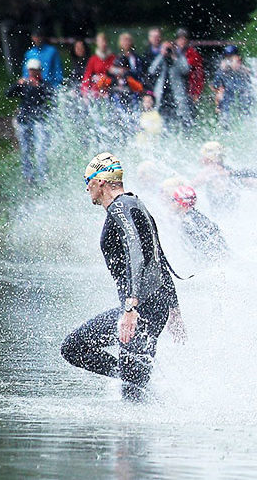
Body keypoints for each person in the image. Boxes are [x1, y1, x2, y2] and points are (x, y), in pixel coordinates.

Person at [62, 153, 183, 401]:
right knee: (83, 351)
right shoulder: (134, 204)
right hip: (152, 306)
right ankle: (144, 383)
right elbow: (158, 257)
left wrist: (130, 307)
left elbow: (139, 253)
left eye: (88, 181)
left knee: (77, 349)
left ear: (101, 182)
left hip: (141, 308)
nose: (87, 187)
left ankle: (145, 388)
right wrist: (174, 309)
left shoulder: (120, 208)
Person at [7, 59, 53, 185]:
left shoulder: (44, 85)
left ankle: (43, 176)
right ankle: (28, 176)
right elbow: (8, 93)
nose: (32, 73)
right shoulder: (24, 84)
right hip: (24, 120)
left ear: (39, 71)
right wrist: (18, 84)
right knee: (25, 150)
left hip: (38, 121)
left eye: (35, 70)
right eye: (31, 71)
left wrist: (38, 86)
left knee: (40, 150)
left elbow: (51, 96)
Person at [170, 185, 229, 261]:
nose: (171, 203)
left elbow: (196, 251)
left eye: (173, 200)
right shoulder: (197, 217)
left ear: (180, 202)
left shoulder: (188, 222)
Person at [148, 38, 193, 127]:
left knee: (181, 119)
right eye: (166, 48)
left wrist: (174, 57)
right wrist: (161, 55)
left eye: (169, 48)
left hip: (176, 95)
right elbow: (152, 70)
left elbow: (186, 70)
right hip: (162, 96)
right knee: (163, 121)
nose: (168, 50)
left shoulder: (179, 57)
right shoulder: (160, 58)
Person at [212, 46, 252, 122]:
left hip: (242, 100)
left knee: (245, 118)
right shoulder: (222, 71)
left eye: (233, 58)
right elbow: (214, 86)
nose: (230, 61)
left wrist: (242, 69)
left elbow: (252, 79)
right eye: (228, 59)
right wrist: (218, 96)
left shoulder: (244, 70)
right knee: (225, 120)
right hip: (227, 102)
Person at [173, 29, 205, 105]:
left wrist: (197, 92)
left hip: (189, 88)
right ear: (176, 40)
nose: (182, 41)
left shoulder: (193, 54)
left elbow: (198, 75)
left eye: (184, 39)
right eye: (180, 39)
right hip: (174, 87)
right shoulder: (171, 51)